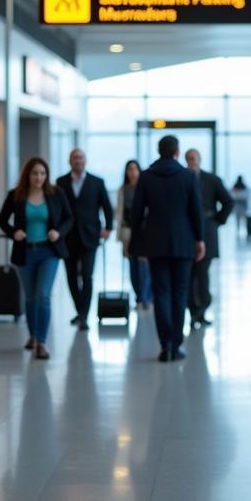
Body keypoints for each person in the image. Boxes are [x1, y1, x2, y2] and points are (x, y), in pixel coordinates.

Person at [130, 136, 205, 362]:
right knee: (179, 293)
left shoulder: (146, 177)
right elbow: (196, 211)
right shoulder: (187, 176)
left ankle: (165, 345)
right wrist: (199, 239)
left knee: (161, 292)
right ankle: (177, 343)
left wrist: (137, 242)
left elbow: (136, 213)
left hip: (155, 242)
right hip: (183, 242)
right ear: (177, 152)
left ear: (158, 151)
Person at [0, 157, 72, 360]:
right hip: (25, 251)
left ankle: (42, 342)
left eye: (42, 173)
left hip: (49, 251)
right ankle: (32, 334)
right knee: (30, 297)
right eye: (35, 173)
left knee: (43, 295)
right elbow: (1, 220)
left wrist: (59, 231)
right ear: (27, 175)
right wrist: (14, 233)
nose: (39, 177)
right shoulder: (16, 195)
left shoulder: (56, 194)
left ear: (46, 175)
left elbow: (69, 218)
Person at [57, 149, 113, 330]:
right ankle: (80, 310)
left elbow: (107, 206)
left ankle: (84, 315)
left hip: (90, 236)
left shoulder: (97, 182)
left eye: (80, 158)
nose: (78, 161)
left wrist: (108, 227)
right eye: (74, 158)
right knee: (71, 276)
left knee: (87, 276)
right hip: (67, 237)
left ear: (85, 161)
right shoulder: (61, 183)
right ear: (69, 161)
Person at [185, 148, 233, 328]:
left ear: (200, 160)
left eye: (194, 159)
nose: (191, 162)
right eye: (188, 159)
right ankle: (192, 310)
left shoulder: (212, 180)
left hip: (208, 232)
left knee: (202, 274)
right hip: (187, 233)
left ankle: (201, 309)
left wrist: (217, 221)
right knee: (189, 275)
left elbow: (228, 202)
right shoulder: (182, 179)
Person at [115, 160, 152, 309]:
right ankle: (138, 296)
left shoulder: (146, 188)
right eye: (129, 169)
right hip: (128, 232)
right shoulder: (123, 190)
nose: (132, 172)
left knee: (144, 266)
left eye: (135, 169)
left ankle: (145, 297)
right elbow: (120, 214)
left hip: (144, 232)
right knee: (133, 265)